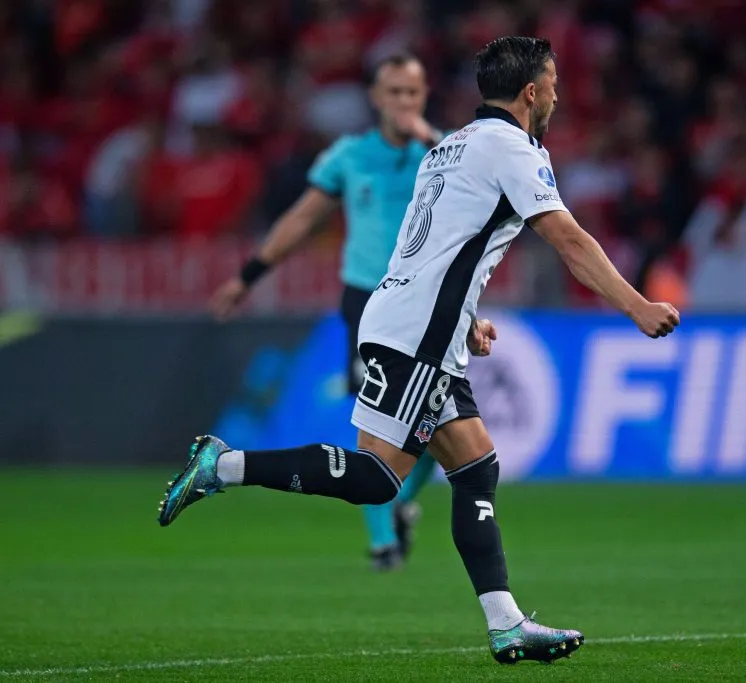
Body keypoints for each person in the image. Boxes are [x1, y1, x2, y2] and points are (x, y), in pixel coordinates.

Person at [159, 36, 680, 665]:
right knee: (377, 479)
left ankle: (507, 624)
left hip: (412, 322)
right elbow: (567, 239)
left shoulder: (450, 146)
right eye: (552, 84)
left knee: (475, 467)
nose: (557, 95)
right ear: (531, 91)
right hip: (418, 334)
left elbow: (434, 244)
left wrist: (467, 319)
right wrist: (637, 306)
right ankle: (223, 466)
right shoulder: (510, 148)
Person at [208, 53, 443, 571]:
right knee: (377, 429)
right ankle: (383, 543)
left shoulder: (446, 153)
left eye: (412, 92)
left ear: (424, 96)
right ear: (376, 98)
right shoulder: (350, 156)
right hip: (369, 305)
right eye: (394, 92)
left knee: (437, 429)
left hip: (430, 305)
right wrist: (248, 276)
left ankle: (398, 503)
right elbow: (302, 219)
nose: (403, 102)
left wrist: (431, 141)